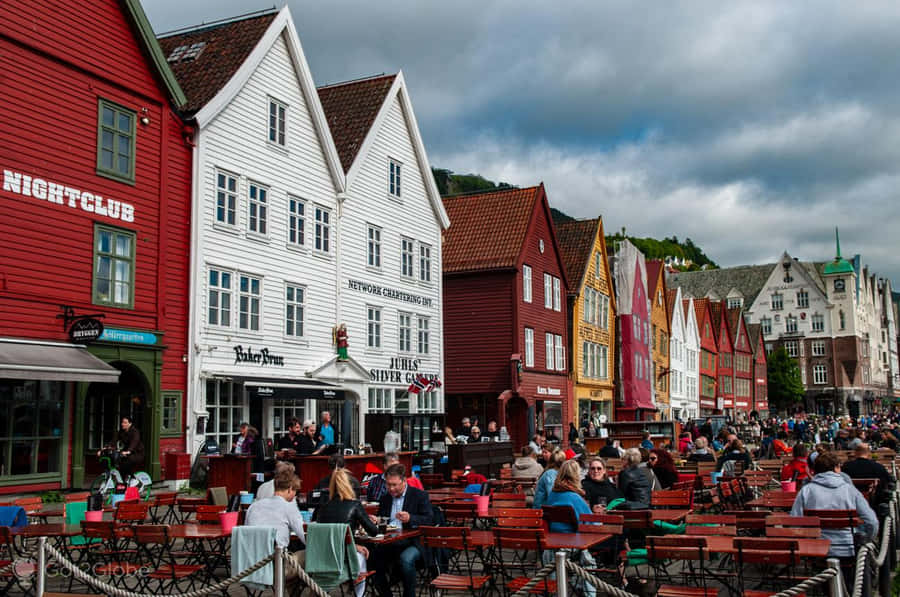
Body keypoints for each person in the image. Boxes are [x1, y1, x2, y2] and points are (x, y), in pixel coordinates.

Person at [790, 451, 878, 561]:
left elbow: (794, 521)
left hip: (815, 548)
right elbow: (872, 521)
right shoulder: (850, 490)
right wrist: (866, 540)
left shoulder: (806, 491)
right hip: (848, 547)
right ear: (837, 468)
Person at [372, 464, 433, 597]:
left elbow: (429, 520)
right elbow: (385, 520)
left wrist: (411, 518)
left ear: (404, 481)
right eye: (388, 485)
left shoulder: (419, 495)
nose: (391, 488)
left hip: (414, 541)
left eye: (394, 485)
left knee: (406, 559)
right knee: (372, 559)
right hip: (390, 541)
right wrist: (378, 520)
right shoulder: (385, 498)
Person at [314, 468, 376, 597]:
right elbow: (373, 532)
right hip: (345, 557)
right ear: (350, 487)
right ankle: (359, 595)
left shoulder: (323, 507)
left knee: (360, 551)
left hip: (324, 557)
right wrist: (372, 521)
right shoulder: (354, 505)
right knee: (362, 555)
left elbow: (324, 533)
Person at [245, 473, 306, 576]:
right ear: (290, 489)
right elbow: (304, 537)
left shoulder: (254, 506)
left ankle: (291, 590)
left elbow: (246, 533)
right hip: (277, 566)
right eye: (295, 492)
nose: (295, 495)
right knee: (312, 554)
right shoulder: (289, 507)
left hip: (249, 565)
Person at [545, 460, 591, 530]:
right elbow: (590, 520)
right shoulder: (575, 498)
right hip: (574, 537)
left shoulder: (552, 494)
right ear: (576, 476)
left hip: (554, 534)